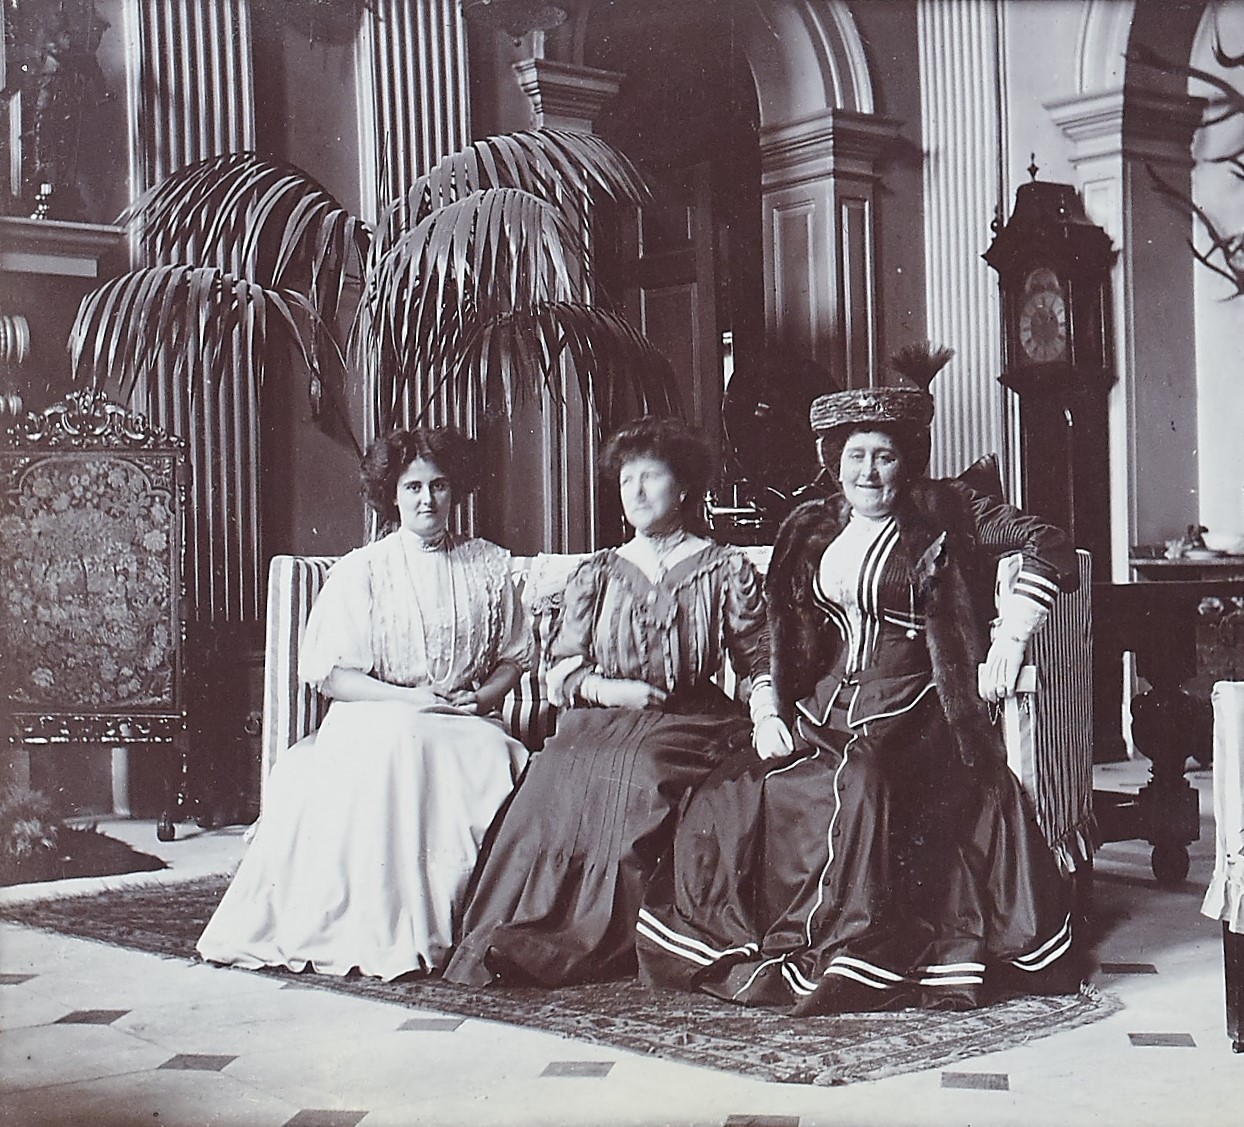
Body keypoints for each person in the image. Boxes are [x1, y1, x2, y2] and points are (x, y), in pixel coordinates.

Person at [636, 350, 1080, 1015]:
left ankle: (853, 944)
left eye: (884, 456)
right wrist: (773, 709)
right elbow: (779, 629)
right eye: (855, 456)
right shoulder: (809, 525)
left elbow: (1049, 541)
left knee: (864, 779)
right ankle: (755, 930)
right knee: (739, 785)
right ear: (833, 460)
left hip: (919, 703)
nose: (868, 471)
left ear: (908, 462)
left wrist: (1010, 639)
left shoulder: (948, 508)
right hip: (826, 701)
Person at [443, 417, 787, 988]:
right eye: (628, 480)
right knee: (556, 773)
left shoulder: (723, 567)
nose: (637, 492)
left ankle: (593, 940)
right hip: (603, 714)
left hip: (687, 716)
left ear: (683, 488)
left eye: (651, 477)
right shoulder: (599, 572)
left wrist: (767, 712)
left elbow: (757, 657)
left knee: (641, 773)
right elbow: (562, 667)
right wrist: (608, 690)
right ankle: (517, 932)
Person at [197, 427, 533, 981]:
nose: (428, 500)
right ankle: (386, 928)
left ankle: (439, 924)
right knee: (401, 739)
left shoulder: (490, 566)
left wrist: (482, 696)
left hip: (466, 722)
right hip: (378, 714)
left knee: (456, 747)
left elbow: (514, 658)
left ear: (457, 492)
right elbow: (334, 676)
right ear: (391, 495)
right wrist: (411, 699)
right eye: (413, 487)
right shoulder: (364, 570)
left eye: (440, 485)